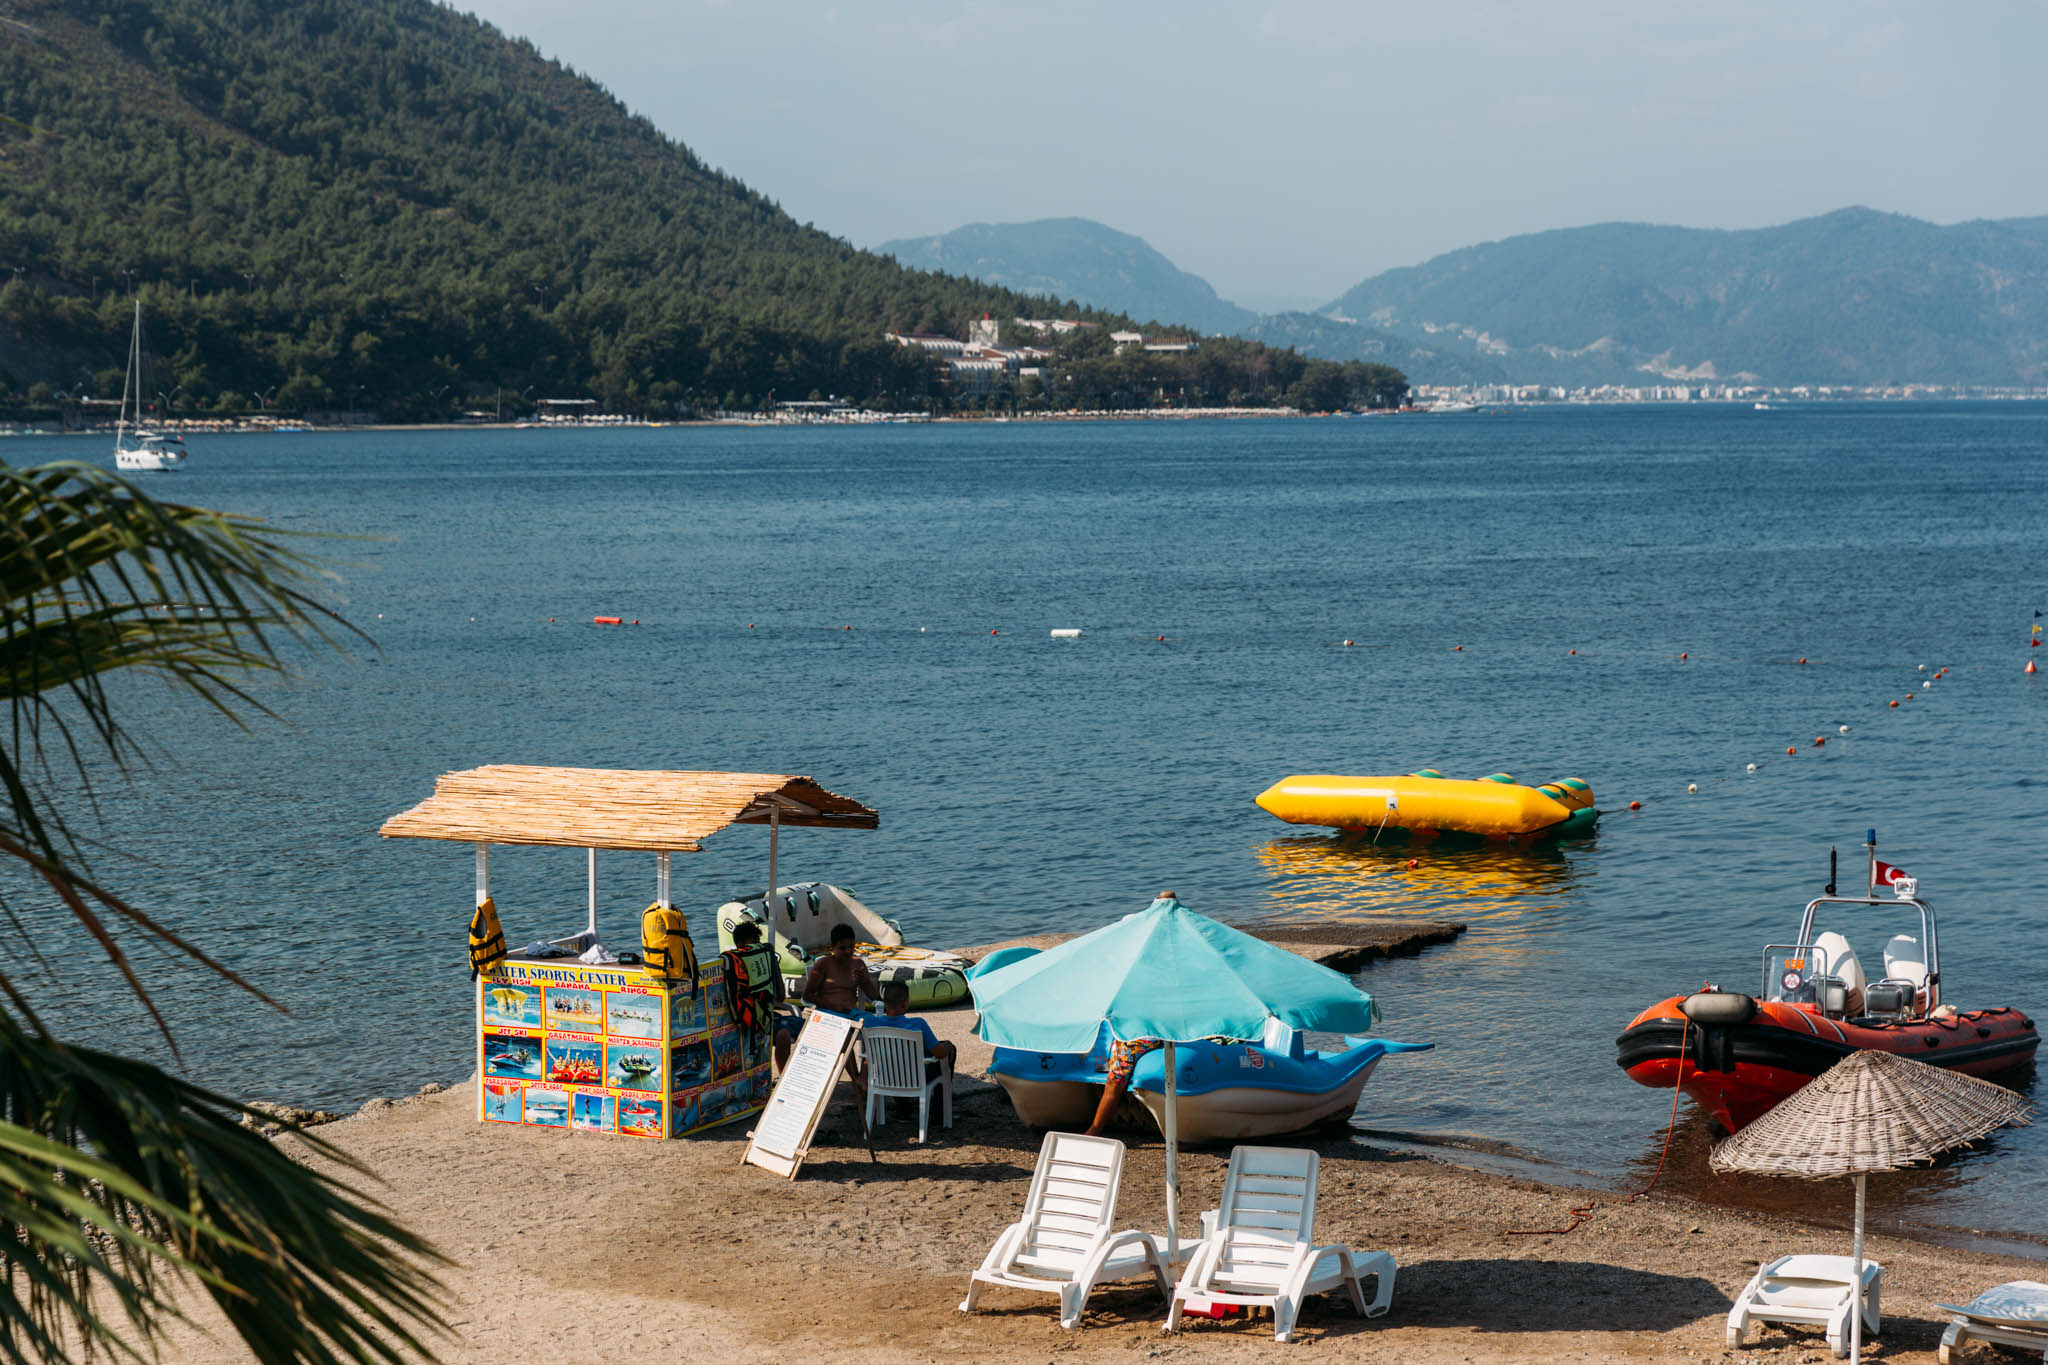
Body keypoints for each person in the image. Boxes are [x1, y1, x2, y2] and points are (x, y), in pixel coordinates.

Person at [801, 923, 879, 1088]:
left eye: (851, 947)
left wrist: (864, 980)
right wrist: (830, 1005)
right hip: (829, 1013)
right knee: (844, 1036)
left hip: (852, 1012)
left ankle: (864, 1076)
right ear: (833, 947)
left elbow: (873, 995)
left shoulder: (858, 964)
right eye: (842, 948)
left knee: (876, 1027)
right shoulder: (823, 965)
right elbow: (807, 995)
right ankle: (856, 1077)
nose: (848, 952)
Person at [720, 921, 793, 1070]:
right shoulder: (733, 964)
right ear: (741, 944)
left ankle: (782, 1077)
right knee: (783, 1033)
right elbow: (780, 997)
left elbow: (780, 996)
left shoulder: (764, 957)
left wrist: (773, 966)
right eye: (755, 942)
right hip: (744, 1019)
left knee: (784, 1034)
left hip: (759, 1016)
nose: (758, 946)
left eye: (759, 942)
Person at [1085, 1035, 1165, 1136]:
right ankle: (1114, 1063)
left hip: (1137, 1038)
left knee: (1114, 1083)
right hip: (1132, 1037)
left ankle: (1094, 1131)